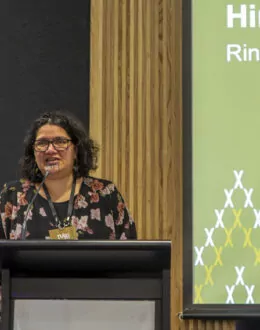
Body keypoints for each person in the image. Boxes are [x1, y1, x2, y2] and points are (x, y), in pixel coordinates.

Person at [0, 110, 137, 240]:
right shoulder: (13, 195)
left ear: (76, 150)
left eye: (60, 142)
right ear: (33, 152)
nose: (50, 150)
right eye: (42, 143)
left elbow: (129, 255)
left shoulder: (105, 193)